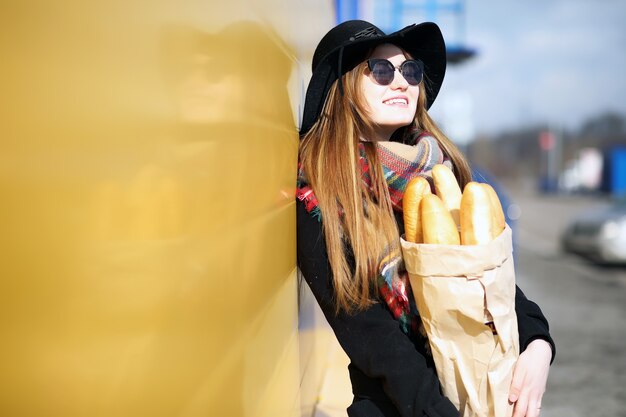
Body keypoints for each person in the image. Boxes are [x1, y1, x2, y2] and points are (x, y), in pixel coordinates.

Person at [296, 20, 555, 417]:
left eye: (411, 71)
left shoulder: (441, 172)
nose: (401, 82)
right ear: (342, 87)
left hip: (486, 390)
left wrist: (537, 341)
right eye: (381, 70)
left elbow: (490, 281)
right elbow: (371, 338)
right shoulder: (317, 196)